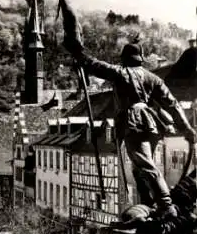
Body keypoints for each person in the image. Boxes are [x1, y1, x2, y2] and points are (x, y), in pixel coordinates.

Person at [63, 38, 197, 220]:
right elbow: (172, 104)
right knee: (138, 168)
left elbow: (96, 65)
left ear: (125, 59)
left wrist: (80, 56)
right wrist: (186, 127)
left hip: (133, 122)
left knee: (145, 164)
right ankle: (149, 204)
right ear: (141, 59)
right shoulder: (153, 78)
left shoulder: (120, 72)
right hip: (151, 124)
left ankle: (166, 206)